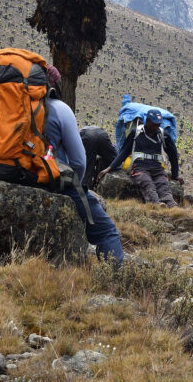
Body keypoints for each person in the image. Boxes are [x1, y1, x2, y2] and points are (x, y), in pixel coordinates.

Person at [43, 65, 124, 263]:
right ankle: (114, 281)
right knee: (108, 232)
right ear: (54, 85)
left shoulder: (12, 108)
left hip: (8, 174)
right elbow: (79, 161)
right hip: (51, 181)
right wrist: (75, 183)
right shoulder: (60, 109)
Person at [98, 108, 184, 207]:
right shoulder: (136, 133)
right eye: (154, 124)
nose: (156, 126)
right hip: (140, 168)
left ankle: (172, 205)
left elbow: (173, 154)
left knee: (163, 185)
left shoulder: (163, 135)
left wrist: (175, 174)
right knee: (147, 183)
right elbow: (124, 152)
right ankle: (156, 204)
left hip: (157, 169)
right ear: (147, 121)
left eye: (158, 124)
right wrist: (109, 168)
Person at [79, 125, 117, 191]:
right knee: (114, 161)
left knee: (88, 166)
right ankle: (99, 183)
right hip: (102, 135)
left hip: (88, 137)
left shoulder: (79, 133)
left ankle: (85, 189)